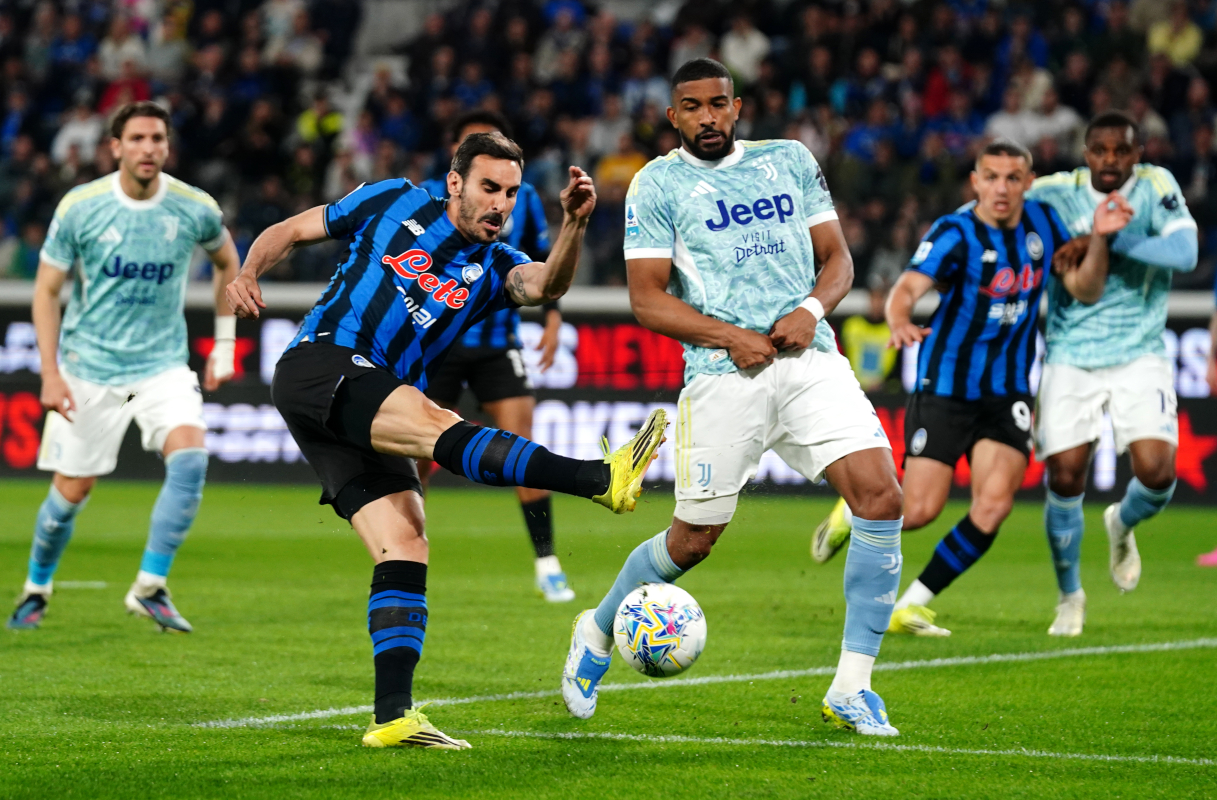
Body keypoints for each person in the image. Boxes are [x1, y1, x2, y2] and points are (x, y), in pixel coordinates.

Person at [224, 132, 667, 750]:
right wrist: (247, 271)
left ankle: (393, 718)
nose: (500, 204)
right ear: (455, 182)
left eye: (511, 194)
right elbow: (293, 231)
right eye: (489, 188)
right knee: (437, 425)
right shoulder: (391, 200)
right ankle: (599, 480)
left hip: (362, 396)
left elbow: (546, 287)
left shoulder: (492, 266)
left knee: (406, 541)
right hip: (322, 363)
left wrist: (572, 224)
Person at [559, 58, 907, 738]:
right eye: (692, 107)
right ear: (673, 116)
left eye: (718, 104)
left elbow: (838, 260)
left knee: (880, 496)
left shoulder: (789, 161)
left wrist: (811, 308)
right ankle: (597, 632)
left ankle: (851, 687)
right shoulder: (656, 184)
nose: (708, 117)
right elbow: (646, 299)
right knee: (692, 542)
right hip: (721, 376)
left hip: (810, 360)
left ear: (737, 107)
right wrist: (728, 337)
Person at [811, 139, 1130, 638]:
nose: (1001, 188)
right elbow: (908, 288)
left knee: (994, 506)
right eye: (991, 177)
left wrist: (1099, 243)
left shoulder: (1045, 224)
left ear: (1027, 182)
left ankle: (911, 605)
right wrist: (898, 321)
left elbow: (1084, 288)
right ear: (975, 181)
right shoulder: (955, 231)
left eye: (1012, 178)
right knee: (917, 510)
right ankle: (851, 515)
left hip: (1008, 391)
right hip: (947, 388)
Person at [7, 102, 241, 632]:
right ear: (115, 147)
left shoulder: (193, 207)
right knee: (71, 494)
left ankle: (150, 585)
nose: (148, 148)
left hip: (162, 364)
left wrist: (223, 344)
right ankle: (36, 588)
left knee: (191, 458)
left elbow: (229, 261)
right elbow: (46, 292)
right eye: (136, 138)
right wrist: (50, 371)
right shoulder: (81, 207)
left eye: (157, 138)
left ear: (167, 146)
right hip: (90, 366)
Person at [1028, 112, 1199, 630]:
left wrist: (1102, 239)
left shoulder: (1155, 185)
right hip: (1069, 350)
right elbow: (993, 210)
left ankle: (1121, 524)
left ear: (1137, 153)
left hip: (1139, 351)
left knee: (1158, 472)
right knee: (1065, 474)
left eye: (1120, 151)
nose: (1110, 160)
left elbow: (1185, 252)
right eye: (1099, 150)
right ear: (1085, 154)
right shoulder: (1056, 191)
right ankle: (1069, 596)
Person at [417, 111, 573, 603]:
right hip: (437, 343)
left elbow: (542, 263)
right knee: (415, 456)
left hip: (497, 342)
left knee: (522, 449)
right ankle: (402, 551)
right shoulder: (423, 197)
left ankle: (547, 563)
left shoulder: (522, 198)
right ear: (456, 166)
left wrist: (552, 318)